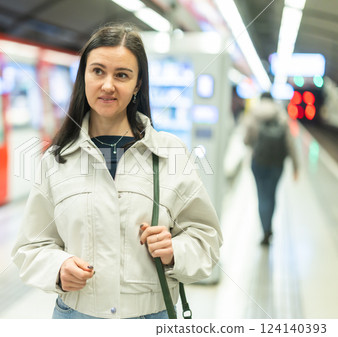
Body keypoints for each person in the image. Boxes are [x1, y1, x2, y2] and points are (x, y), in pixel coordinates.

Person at [11, 23, 222, 319]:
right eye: (98, 71)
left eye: (122, 75)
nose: (108, 85)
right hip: (76, 318)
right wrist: (58, 268)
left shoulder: (170, 153)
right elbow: (30, 246)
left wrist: (175, 249)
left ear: (137, 84)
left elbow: (207, 239)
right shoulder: (57, 159)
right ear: (83, 76)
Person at [244, 92, 299, 245]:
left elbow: (246, 140)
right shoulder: (281, 115)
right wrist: (296, 166)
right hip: (277, 164)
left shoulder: (254, 114)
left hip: (258, 162)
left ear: (261, 100)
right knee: (272, 195)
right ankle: (269, 226)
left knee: (262, 196)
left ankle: (265, 230)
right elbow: (290, 143)